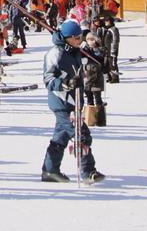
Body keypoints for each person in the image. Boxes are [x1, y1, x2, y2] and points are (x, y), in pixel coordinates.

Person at [41, 20, 104, 184]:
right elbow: (48, 79)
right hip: (61, 101)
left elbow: (90, 60)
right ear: (67, 38)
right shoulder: (55, 54)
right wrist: (66, 83)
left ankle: (50, 170)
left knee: (60, 137)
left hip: (74, 100)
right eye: (76, 38)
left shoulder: (75, 51)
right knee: (81, 135)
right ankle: (88, 171)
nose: (79, 40)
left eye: (80, 37)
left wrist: (101, 62)